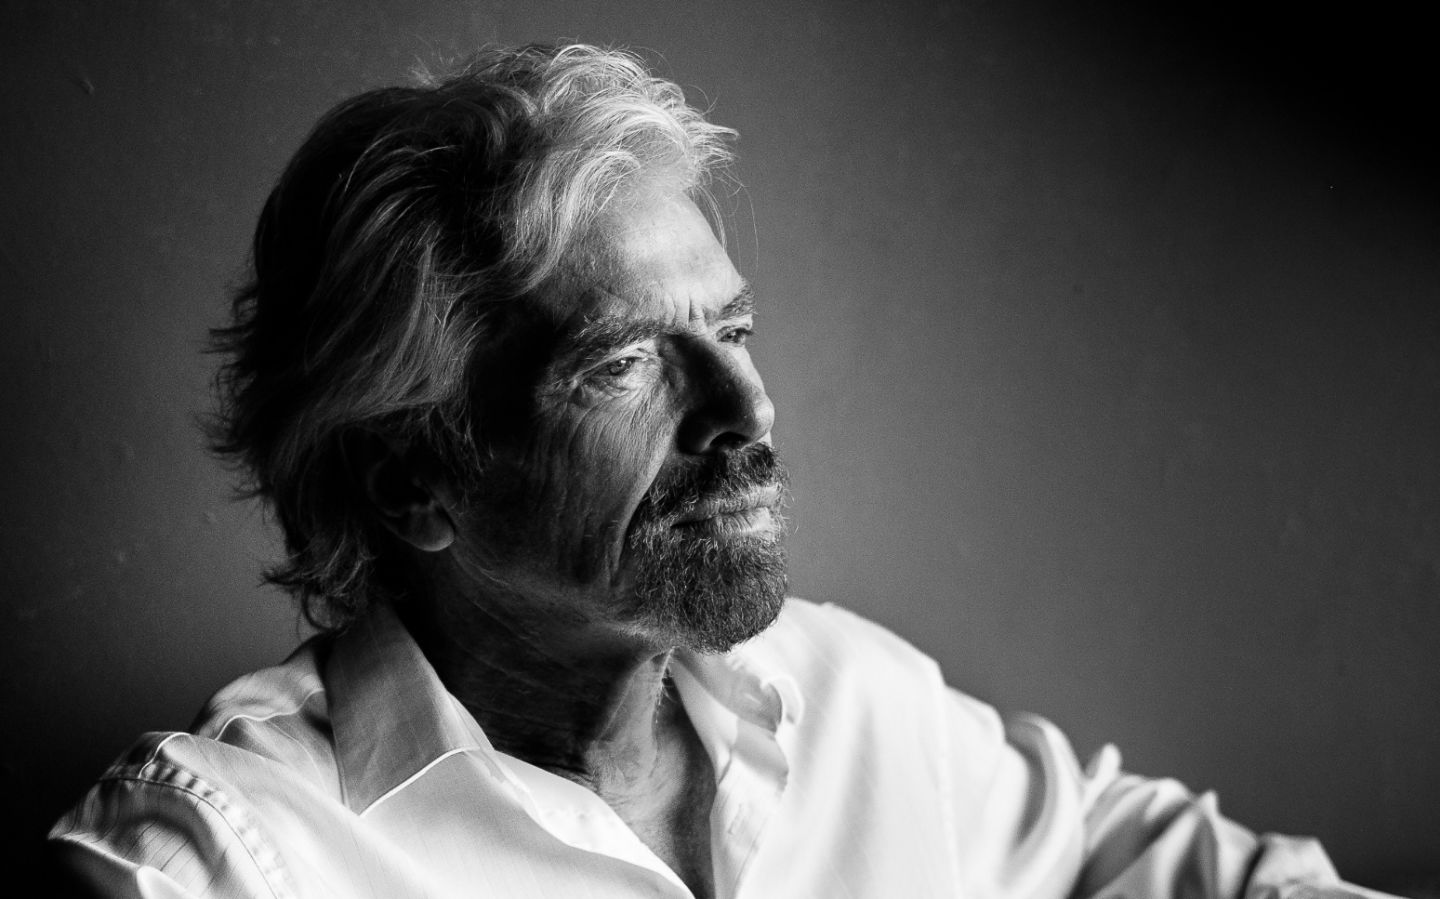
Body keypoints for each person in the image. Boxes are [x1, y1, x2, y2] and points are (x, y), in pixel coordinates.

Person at [49, 43, 1396, 899]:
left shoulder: (856, 702)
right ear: (415, 482)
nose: (747, 409)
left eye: (733, 332)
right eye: (625, 362)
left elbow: (1170, 863)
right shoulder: (223, 857)